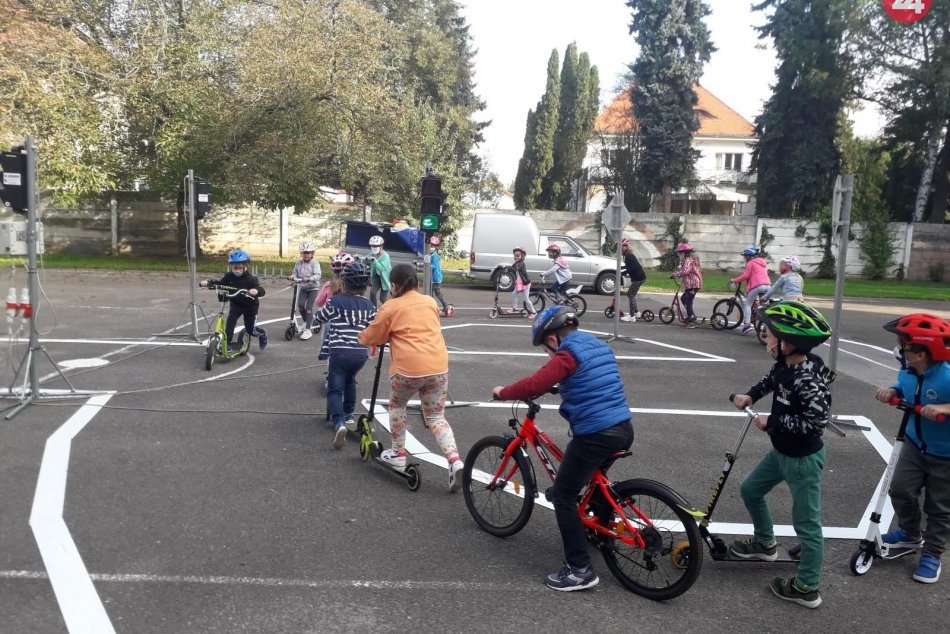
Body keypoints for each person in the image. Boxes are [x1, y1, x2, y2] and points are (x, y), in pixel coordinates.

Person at [492, 306, 633, 591]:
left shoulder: (566, 354)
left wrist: (503, 392)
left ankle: (580, 570)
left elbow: (536, 382)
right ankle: (597, 529)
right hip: (622, 427)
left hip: (596, 433)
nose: (548, 353)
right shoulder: (596, 344)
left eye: (546, 347)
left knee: (564, 495)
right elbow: (590, 378)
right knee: (593, 480)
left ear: (553, 339)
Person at [728, 300, 835, 609]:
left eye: (771, 335)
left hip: (802, 460)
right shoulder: (785, 365)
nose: (766, 338)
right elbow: (771, 381)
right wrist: (751, 394)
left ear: (789, 342)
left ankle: (807, 587)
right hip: (781, 452)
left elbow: (816, 423)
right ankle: (765, 543)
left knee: (807, 524)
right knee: (751, 489)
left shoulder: (807, 378)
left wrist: (772, 422)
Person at [358, 264, 465, 492]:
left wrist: (363, 338)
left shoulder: (391, 306)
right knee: (436, 417)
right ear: (416, 283)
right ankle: (455, 461)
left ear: (394, 286)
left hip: (407, 370)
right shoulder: (429, 302)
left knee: (397, 406)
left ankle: (397, 452)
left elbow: (374, 335)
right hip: (438, 365)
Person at [874, 313, 950, 584]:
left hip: (945, 454)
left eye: (904, 346)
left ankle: (931, 553)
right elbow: (906, 389)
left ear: (921, 352)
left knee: (939, 506)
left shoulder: (947, 376)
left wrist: (944, 408)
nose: (899, 350)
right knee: (901, 489)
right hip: (914, 445)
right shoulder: (908, 371)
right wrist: (892, 391)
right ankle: (910, 532)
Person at [314, 261, 377, 449]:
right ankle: (349, 415)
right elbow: (374, 325)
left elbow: (320, 317)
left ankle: (339, 422)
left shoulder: (335, 301)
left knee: (334, 389)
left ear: (344, 282)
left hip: (339, 351)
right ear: (365, 285)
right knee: (350, 381)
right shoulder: (369, 305)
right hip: (359, 353)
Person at [199, 249, 267, 351]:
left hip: (250, 307)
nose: (237, 269)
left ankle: (262, 334)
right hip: (236, 305)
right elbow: (221, 284)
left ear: (245, 266)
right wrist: (209, 283)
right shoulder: (229, 276)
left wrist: (255, 291)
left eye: (239, 266)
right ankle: (228, 344)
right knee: (230, 324)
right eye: (234, 266)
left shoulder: (251, 279)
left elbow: (261, 290)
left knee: (250, 329)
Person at [731, 246, 772, 336]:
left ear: (749, 257)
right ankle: (765, 326)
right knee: (764, 307)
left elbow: (745, 276)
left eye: (745, 257)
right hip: (767, 286)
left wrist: (735, 280)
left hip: (757, 286)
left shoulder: (750, 263)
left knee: (747, 304)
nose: (745, 259)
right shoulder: (763, 263)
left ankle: (747, 325)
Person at [289, 241, 321, 340]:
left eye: (308, 253)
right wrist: (292, 277)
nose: (306, 255)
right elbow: (295, 273)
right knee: (301, 305)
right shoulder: (298, 263)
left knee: (308, 308)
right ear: (301, 254)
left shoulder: (315, 263)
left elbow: (318, 275)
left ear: (312, 254)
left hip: (313, 288)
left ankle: (307, 330)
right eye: (304, 253)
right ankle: (307, 322)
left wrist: (310, 278)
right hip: (303, 287)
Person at [670, 243, 703, 328]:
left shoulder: (688, 260)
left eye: (680, 253)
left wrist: (675, 274)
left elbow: (685, 271)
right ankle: (692, 315)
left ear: (685, 253)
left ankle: (691, 320)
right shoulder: (686, 260)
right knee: (684, 298)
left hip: (693, 284)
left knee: (688, 300)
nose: (678, 254)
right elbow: (684, 271)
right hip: (690, 284)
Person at [619, 238, 646, 323]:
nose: (621, 249)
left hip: (638, 278)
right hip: (640, 277)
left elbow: (631, 268)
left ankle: (632, 317)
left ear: (625, 247)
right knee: (632, 295)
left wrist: (623, 273)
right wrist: (621, 268)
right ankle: (636, 313)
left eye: (622, 247)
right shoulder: (628, 255)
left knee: (630, 294)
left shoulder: (628, 255)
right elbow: (629, 266)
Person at [510, 247, 537, 318]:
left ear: (522, 256)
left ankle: (534, 312)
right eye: (515, 256)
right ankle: (515, 309)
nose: (516, 257)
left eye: (518, 256)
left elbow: (515, 269)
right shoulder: (516, 263)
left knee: (526, 299)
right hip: (520, 283)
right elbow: (511, 268)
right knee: (513, 294)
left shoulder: (521, 263)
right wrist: (503, 267)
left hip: (525, 284)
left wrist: (508, 268)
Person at [366, 235, 392, 307]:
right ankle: (373, 309)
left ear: (381, 246)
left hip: (385, 278)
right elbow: (366, 259)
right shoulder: (372, 253)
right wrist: (358, 257)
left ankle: (390, 309)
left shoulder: (385, 256)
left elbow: (381, 269)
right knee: (372, 293)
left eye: (376, 246)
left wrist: (374, 260)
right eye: (372, 246)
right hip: (377, 278)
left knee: (382, 298)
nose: (374, 247)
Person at [429, 236, 452, 316]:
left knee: (437, 293)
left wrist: (426, 265)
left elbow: (434, 266)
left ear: (436, 247)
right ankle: (432, 306)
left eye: (432, 246)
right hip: (433, 278)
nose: (430, 247)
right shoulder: (432, 255)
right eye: (430, 246)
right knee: (430, 293)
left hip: (436, 278)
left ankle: (446, 306)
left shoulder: (434, 256)